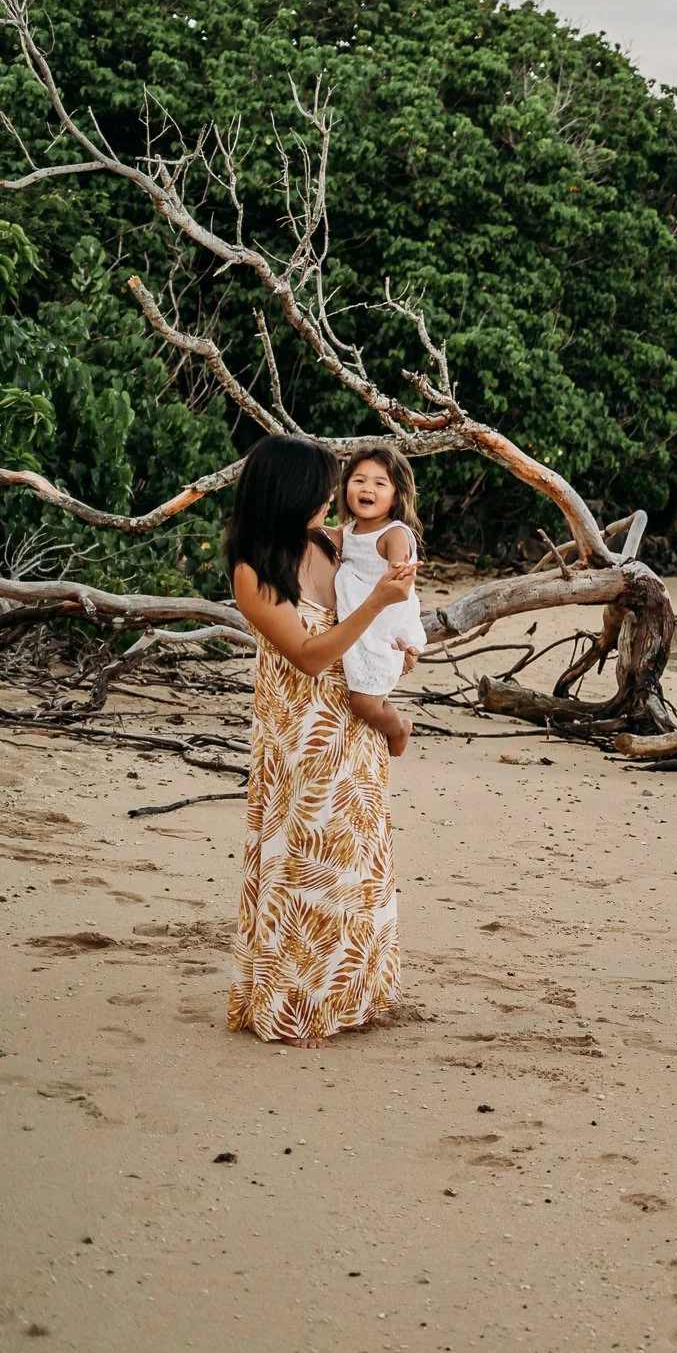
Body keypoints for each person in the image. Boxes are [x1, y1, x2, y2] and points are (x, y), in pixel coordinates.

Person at [221, 434, 421, 1049]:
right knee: (306, 864)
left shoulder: (323, 546)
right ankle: (295, 1009)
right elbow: (308, 655)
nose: (332, 499)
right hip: (299, 738)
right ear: (290, 491)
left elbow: (370, 593)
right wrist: (379, 606)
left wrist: (394, 633)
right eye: (321, 487)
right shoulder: (252, 570)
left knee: (358, 864)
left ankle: (352, 997)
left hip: (350, 727)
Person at [335, 447, 428, 758]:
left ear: (397, 495)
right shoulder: (346, 531)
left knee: (364, 702)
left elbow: (399, 577)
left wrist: (400, 570)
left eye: (379, 483)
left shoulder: (395, 533)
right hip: (357, 625)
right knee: (356, 694)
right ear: (345, 485)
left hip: (382, 627)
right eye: (359, 480)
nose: (367, 489)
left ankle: (399, 728)